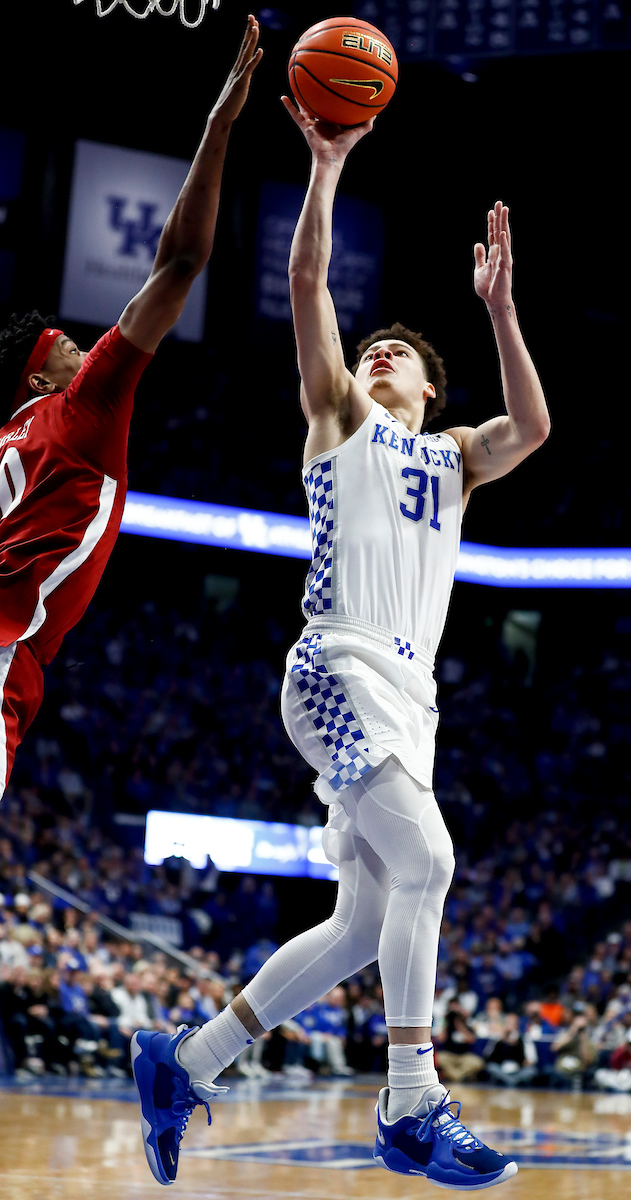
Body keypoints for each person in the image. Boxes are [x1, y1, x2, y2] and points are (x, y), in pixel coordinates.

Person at [132, 88, 549, 1191]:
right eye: (370, 350)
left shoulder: (454, 457)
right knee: (432, 862)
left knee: (365, 923)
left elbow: (532, 427)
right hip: (337, 665)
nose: (378, 354)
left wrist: (501, 311)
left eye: (397, 353)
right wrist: (326, 167)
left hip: (410, 705)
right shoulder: (341, 420)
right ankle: (410, 1102)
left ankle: (185, 1061)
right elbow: (308, 283)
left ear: (430, 388)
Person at [0, 17, 263, 805]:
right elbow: (180, 260)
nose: (87, 351)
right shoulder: (82, 409)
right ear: (40, 381)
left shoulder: (7, 436)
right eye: (68, 348)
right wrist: (218, 126)